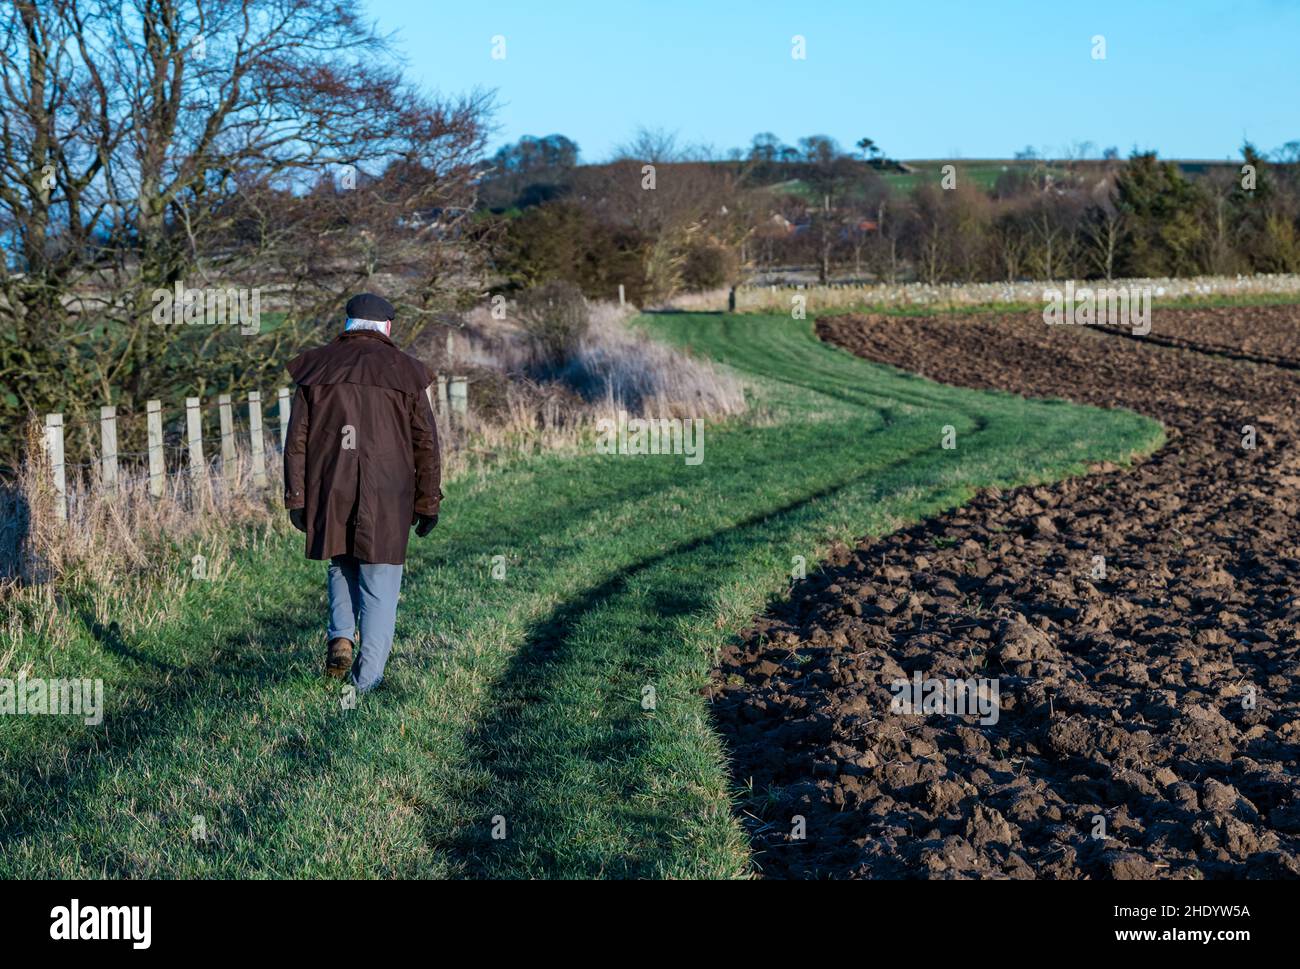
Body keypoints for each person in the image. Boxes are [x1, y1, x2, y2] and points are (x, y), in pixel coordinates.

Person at [283, 293, 442, 691]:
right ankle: (366, 681)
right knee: (380, 581)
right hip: (388, 492)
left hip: (330, 486)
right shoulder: (404, 372)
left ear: (349, 322)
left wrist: (297, 496)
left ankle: (340, 636)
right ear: (387, 326)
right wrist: (428, 500)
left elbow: (296, 440)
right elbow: (426, 442)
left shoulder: (316, 368)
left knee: (341, 561)